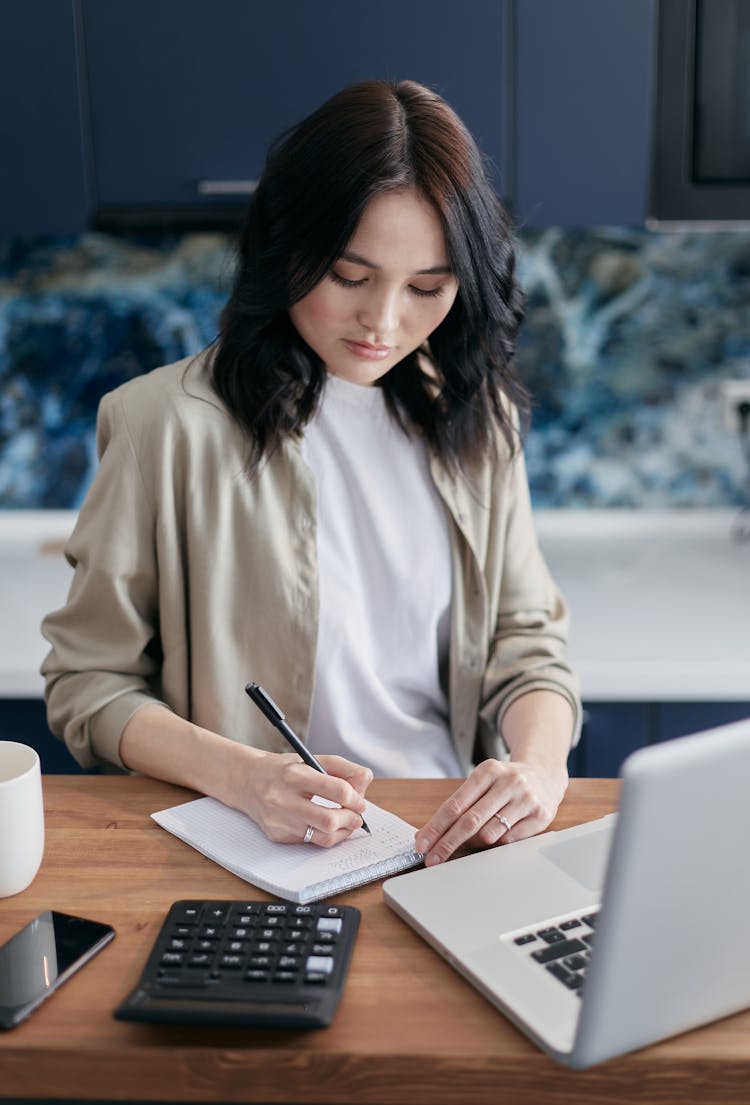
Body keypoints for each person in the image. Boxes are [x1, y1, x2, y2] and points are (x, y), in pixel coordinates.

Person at [41, 79, 581, 867]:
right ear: (286, 248)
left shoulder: (478, 418)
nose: (384, 321)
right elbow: (88, 685)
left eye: (427, 287)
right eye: (350, 277)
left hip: (444, 842)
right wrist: (250, 777)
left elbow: (527, 645)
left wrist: (539, 767)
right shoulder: (161, 425)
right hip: (255, 849)